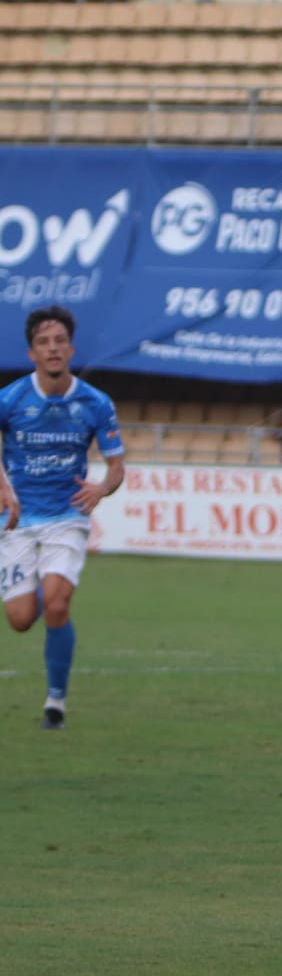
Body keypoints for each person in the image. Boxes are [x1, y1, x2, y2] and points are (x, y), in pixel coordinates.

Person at [0, 306, 124, 731]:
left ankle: (56, 702)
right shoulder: (12, 398)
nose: (52, 349)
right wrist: (2, 485)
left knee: (57, 604)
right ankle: (35, 584)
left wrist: (102, 487)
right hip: (16, 518)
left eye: (59, 342)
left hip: (67, 515)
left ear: (70, 348)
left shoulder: (95, 403)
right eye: (43, 342)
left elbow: (116, 467)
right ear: (32, 352)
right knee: (19, 620)